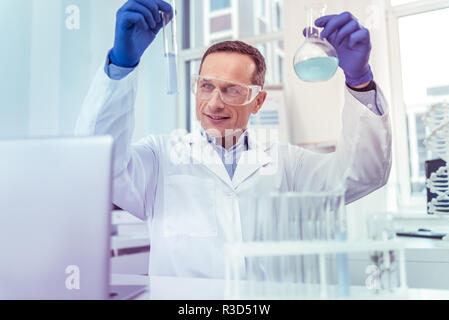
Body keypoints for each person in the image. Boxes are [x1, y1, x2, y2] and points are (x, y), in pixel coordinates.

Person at [75, 0, 392, 278]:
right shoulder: (161, 158)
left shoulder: (286, 164)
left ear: (258, 101)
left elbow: (362, 174)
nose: (214, 102)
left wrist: (360, 81)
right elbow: (96, 162)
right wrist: (121, 65)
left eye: (231, 90)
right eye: (206, 86)